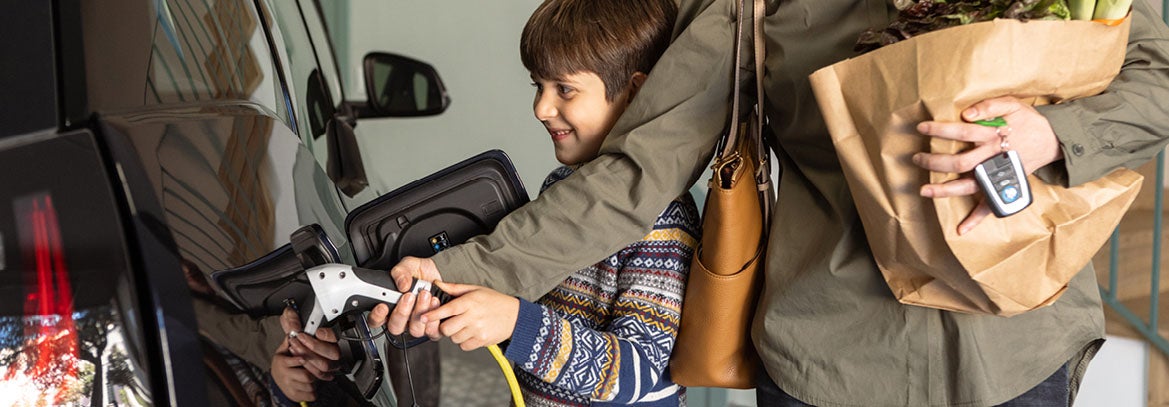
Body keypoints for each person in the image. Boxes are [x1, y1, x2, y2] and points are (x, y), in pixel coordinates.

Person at [381, 1, 1169, 407]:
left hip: (1018, 347)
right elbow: (635, 170)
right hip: (831, 363)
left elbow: (1155, 74)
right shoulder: (748, 8)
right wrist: (460, 270)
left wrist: (1050, 134)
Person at [418, 0, 698, 405]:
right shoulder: (563, 186)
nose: (541, 109)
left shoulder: (663, 217)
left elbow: (636, 373)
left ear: (636, 93)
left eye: (564, 89)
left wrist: (516, 321)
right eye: (539, 86)